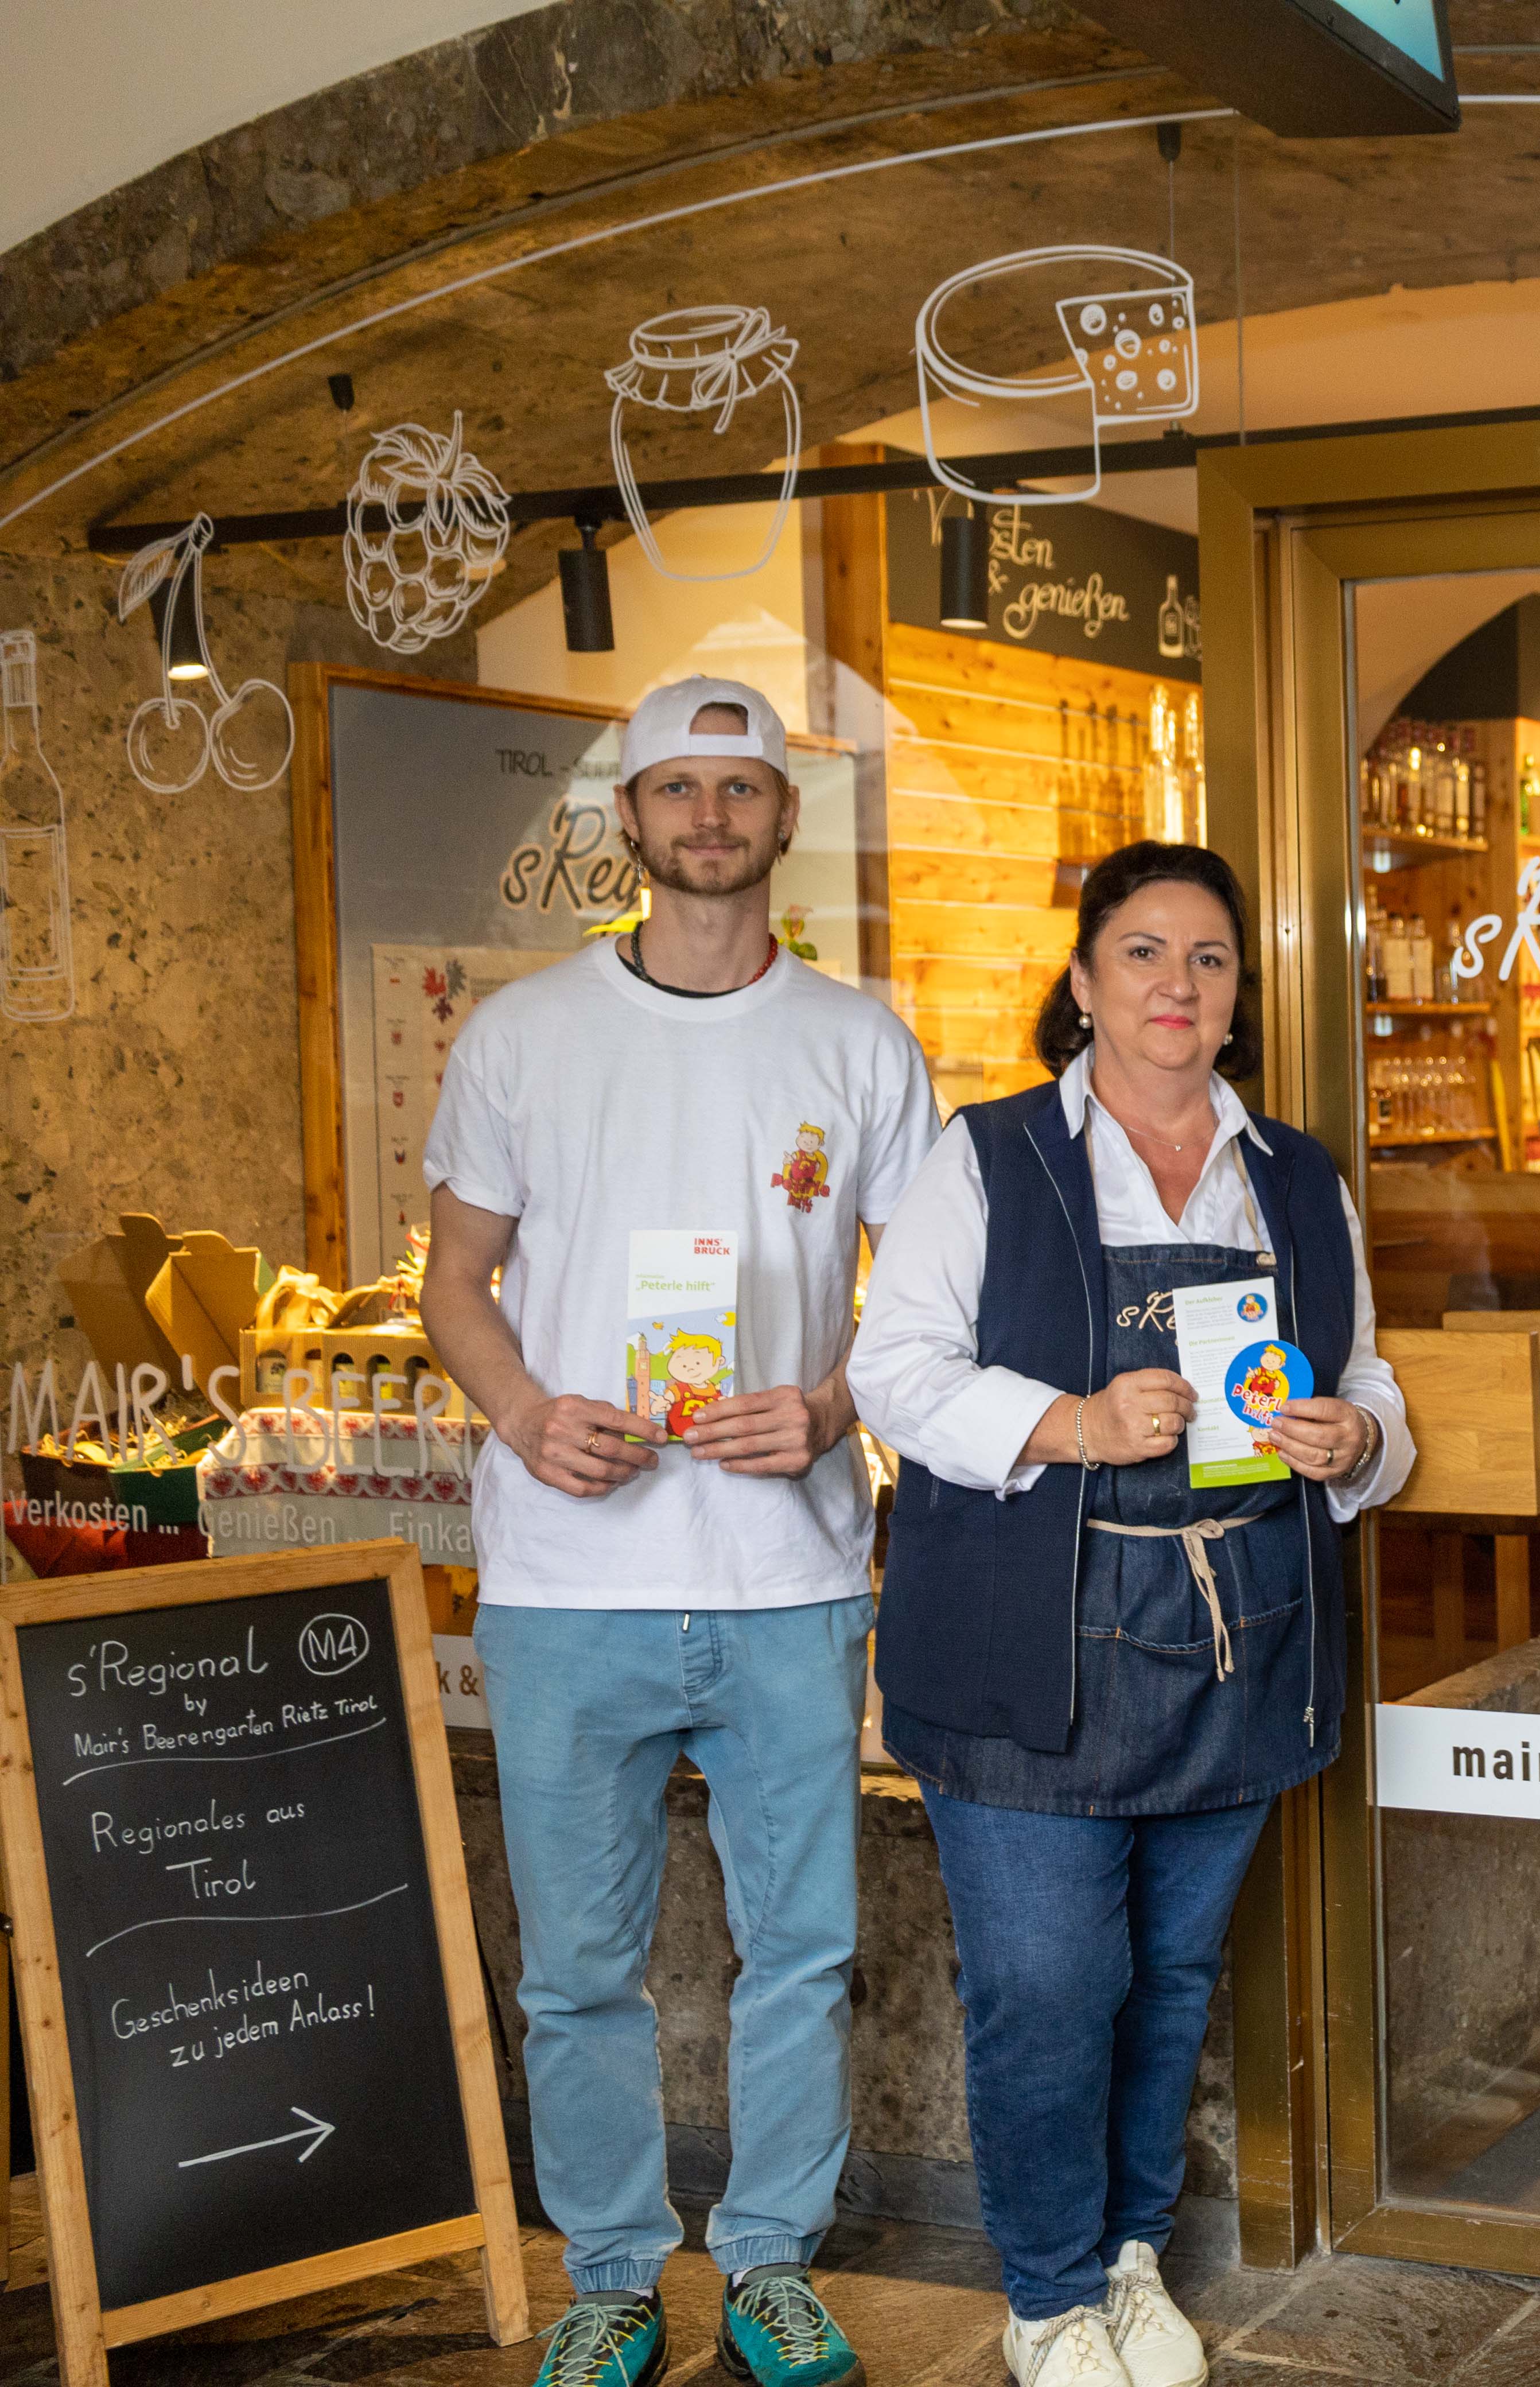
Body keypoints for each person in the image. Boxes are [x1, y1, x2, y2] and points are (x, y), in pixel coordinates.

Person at [422, 678, 939, 2387]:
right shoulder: (521, 1035)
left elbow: (932, 1301)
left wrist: (831, 1408)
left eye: (742, 788)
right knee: (578, 1970)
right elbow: (456, 1281)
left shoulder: (860, 1042)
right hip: (572, 1585)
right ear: (626, 821)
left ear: (787, 818)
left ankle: (775, 2260)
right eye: (678, 789)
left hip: (787, 1578)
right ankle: (618, 2277)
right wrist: (519, 1411)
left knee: (805, 1949)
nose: (710, 816)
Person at [850, 842, 1414, 2387]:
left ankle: (1128, 2256)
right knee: (1048, 1984)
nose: (1179, 984)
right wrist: (1070, 1422)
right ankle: (1044, 2295)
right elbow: (891, 1373)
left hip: (1236, 1644)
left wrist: (1357, 1439)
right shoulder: (990, 1155)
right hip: (1032, 1651)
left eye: (1210, 960)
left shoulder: (1295, 1177)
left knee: (1170, 1980)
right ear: (1085, 982)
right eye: (1146, 954)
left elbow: (1363, 1384)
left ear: (1239, 998)